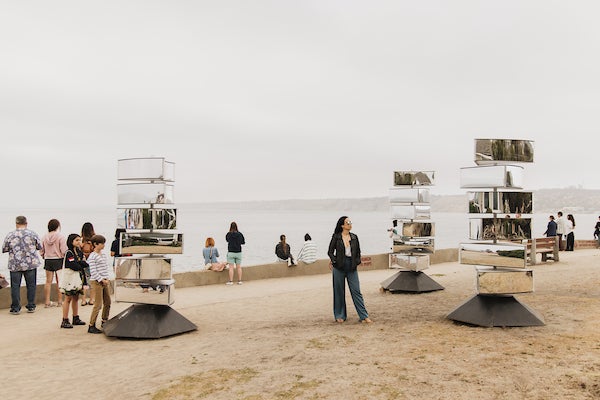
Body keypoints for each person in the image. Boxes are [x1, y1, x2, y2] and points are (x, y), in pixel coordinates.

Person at [327, 216, 372, 324]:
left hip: (351, 267)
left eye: (351, 222)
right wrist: (334, 261)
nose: (350, 224)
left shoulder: (354, 237)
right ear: (342, 225)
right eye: (348, 222)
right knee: (339, 292)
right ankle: (340, 315)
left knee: (356, 291)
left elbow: (358, 252)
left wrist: (356, 262)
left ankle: (364, 316)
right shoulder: (336, 237)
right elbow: (330, 251)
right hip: (339, 267)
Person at [2, 216, 43, 315]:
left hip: (15, 264)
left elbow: (4, 249)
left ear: (16, 223)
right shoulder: (32, 234)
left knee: (15, 286)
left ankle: (16, 308)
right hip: (30, 263)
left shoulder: (10, 235)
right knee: (31, 285)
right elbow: (39, 246)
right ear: (26, 223)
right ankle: (31, 305)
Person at [59, 234, 88, 329]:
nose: (79, 242)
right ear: (71, 242)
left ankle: (76, 317)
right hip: (70, 279)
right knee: (68, 299)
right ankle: (65, 319)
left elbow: (83, 263)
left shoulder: (79, 252)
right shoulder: (69, 253)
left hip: (77, 278)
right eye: (76, 240)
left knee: (76, 298)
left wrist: (80, 264)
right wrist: (80, 264)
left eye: (80, 240)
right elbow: (73, 264)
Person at [40, 219, 67, 308]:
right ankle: (60, 301)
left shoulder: (44, 237)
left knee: (48, 281)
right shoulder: (60, 236)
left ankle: (47, 302)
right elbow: (64, 250)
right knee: (59, 281)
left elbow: (41, 249)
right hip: (58, 259)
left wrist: (44, 255)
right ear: (57, 226)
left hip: (48, 259)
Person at [87, 234, 111, 334]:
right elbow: (93, 271)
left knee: (108, 302)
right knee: (98, 304)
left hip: (104, 280)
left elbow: (105, 267)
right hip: (96, 281)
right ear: (96, 244)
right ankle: (91, 325)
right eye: (102, 243)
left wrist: (107, 278)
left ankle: (104, 320)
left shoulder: (103, 255)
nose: (103, 245)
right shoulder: (92, 256)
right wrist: (101, 279)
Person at [80, 222, 95, 306]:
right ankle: (92, 299)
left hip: (83, 262)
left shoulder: (81, 240)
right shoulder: (94, 239)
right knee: (92, 281)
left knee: (84, 281)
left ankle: (83, 300)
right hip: (92, 262)